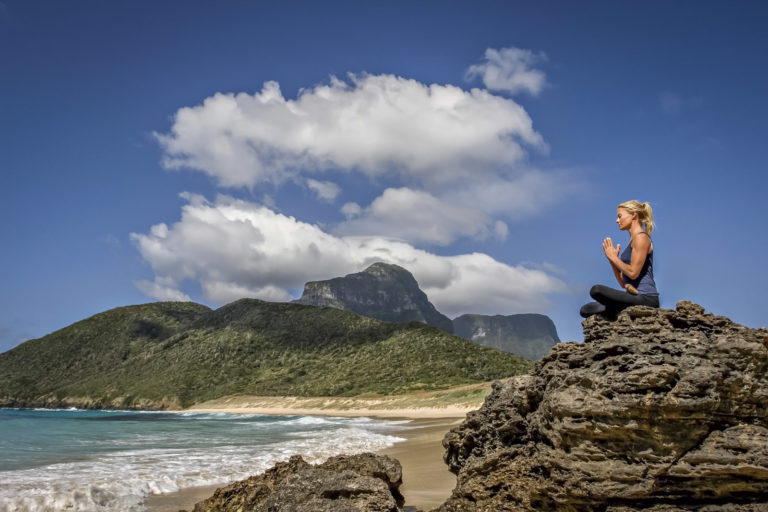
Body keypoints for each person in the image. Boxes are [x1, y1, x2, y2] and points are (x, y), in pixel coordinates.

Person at [580, 200, 660, 318]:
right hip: (633, 297)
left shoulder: (641, 238)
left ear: (634, 215)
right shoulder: (631, 242)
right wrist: (612, 260)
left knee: (596, 290)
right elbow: (623, 283)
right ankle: (617, 309)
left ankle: (615, 309)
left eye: (620, 216)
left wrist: (614, 257)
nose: (617, 220)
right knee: (585, 310)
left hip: (647, 298)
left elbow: (633, 273)